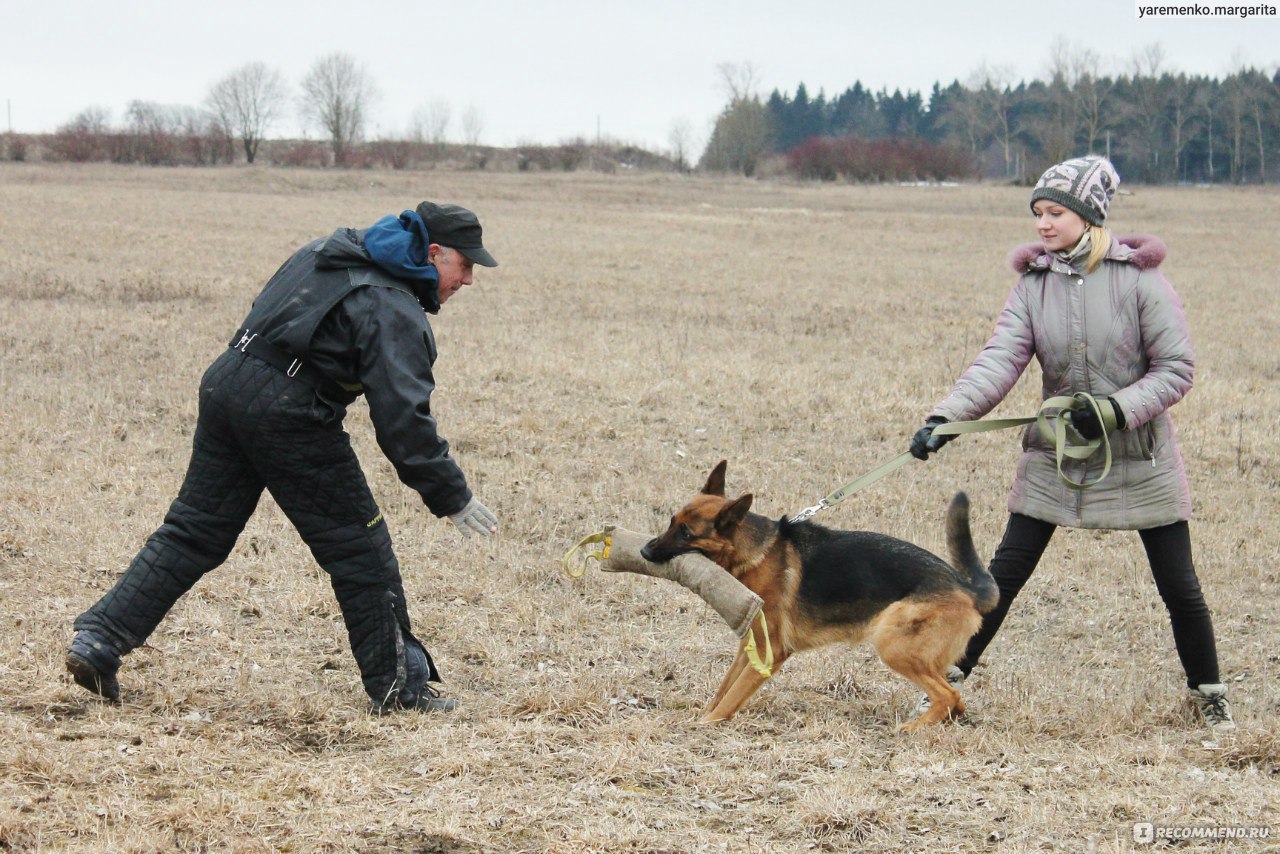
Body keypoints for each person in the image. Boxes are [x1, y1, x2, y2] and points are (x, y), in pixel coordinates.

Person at [66, 202, 500, 714]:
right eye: (465, 266)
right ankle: (398, 688)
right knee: (358, 548)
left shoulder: (331, 249)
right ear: (432, 254)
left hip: (229, 381)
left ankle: (99, 637)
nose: (468, 280)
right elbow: (404, 423)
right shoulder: (392, 307)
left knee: (195, 529)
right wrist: (451, 494)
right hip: (289, 411)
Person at [908, 155, 1236, 732]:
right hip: (1057, 455)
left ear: (1088, 216)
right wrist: (947, 418)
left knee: (1179, 586)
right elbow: (999, 361)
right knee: (1000, 577)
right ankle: (948, 686)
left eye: (1055, 212)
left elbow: (1177, 368)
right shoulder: (1033, 286)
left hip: (1139, 454)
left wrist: (1115, 411)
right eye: (1037, 212)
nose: (1042, 223)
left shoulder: (1141, 281)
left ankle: (1209, 696)